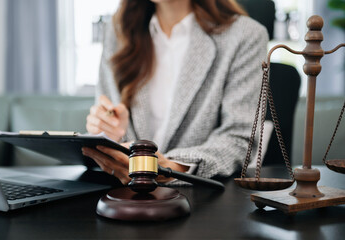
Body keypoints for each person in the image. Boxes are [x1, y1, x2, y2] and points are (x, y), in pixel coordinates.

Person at [82, 0, 268, 185]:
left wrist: (172, 169)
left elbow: (238, 137)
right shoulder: (118, 32)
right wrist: (109, 132)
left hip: (199, 197)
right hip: (122, 191)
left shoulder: (245, 35)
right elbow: (112, 127)